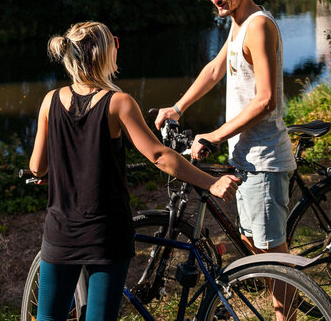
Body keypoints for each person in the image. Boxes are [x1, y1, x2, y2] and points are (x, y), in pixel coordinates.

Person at [29, 21, 240, 321]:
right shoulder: (119, 104)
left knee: (48, 318)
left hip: (60, 234)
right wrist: (211, 183)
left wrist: (50, 172)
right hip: (106, 236)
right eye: (114, 42)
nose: (118, 46)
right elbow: (159, 156)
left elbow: (37, 166)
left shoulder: (50, 101)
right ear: (102, 54)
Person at [154, 0, 296, 259]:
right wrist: (177, 108)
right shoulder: (238, 23)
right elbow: (215, 69)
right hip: (244, 157)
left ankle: (293, 304)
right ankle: (286, 301)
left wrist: (214, 135)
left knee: (272, 256)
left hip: (264, 159)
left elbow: (266, 100)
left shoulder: (258, 26)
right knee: (254, 248)